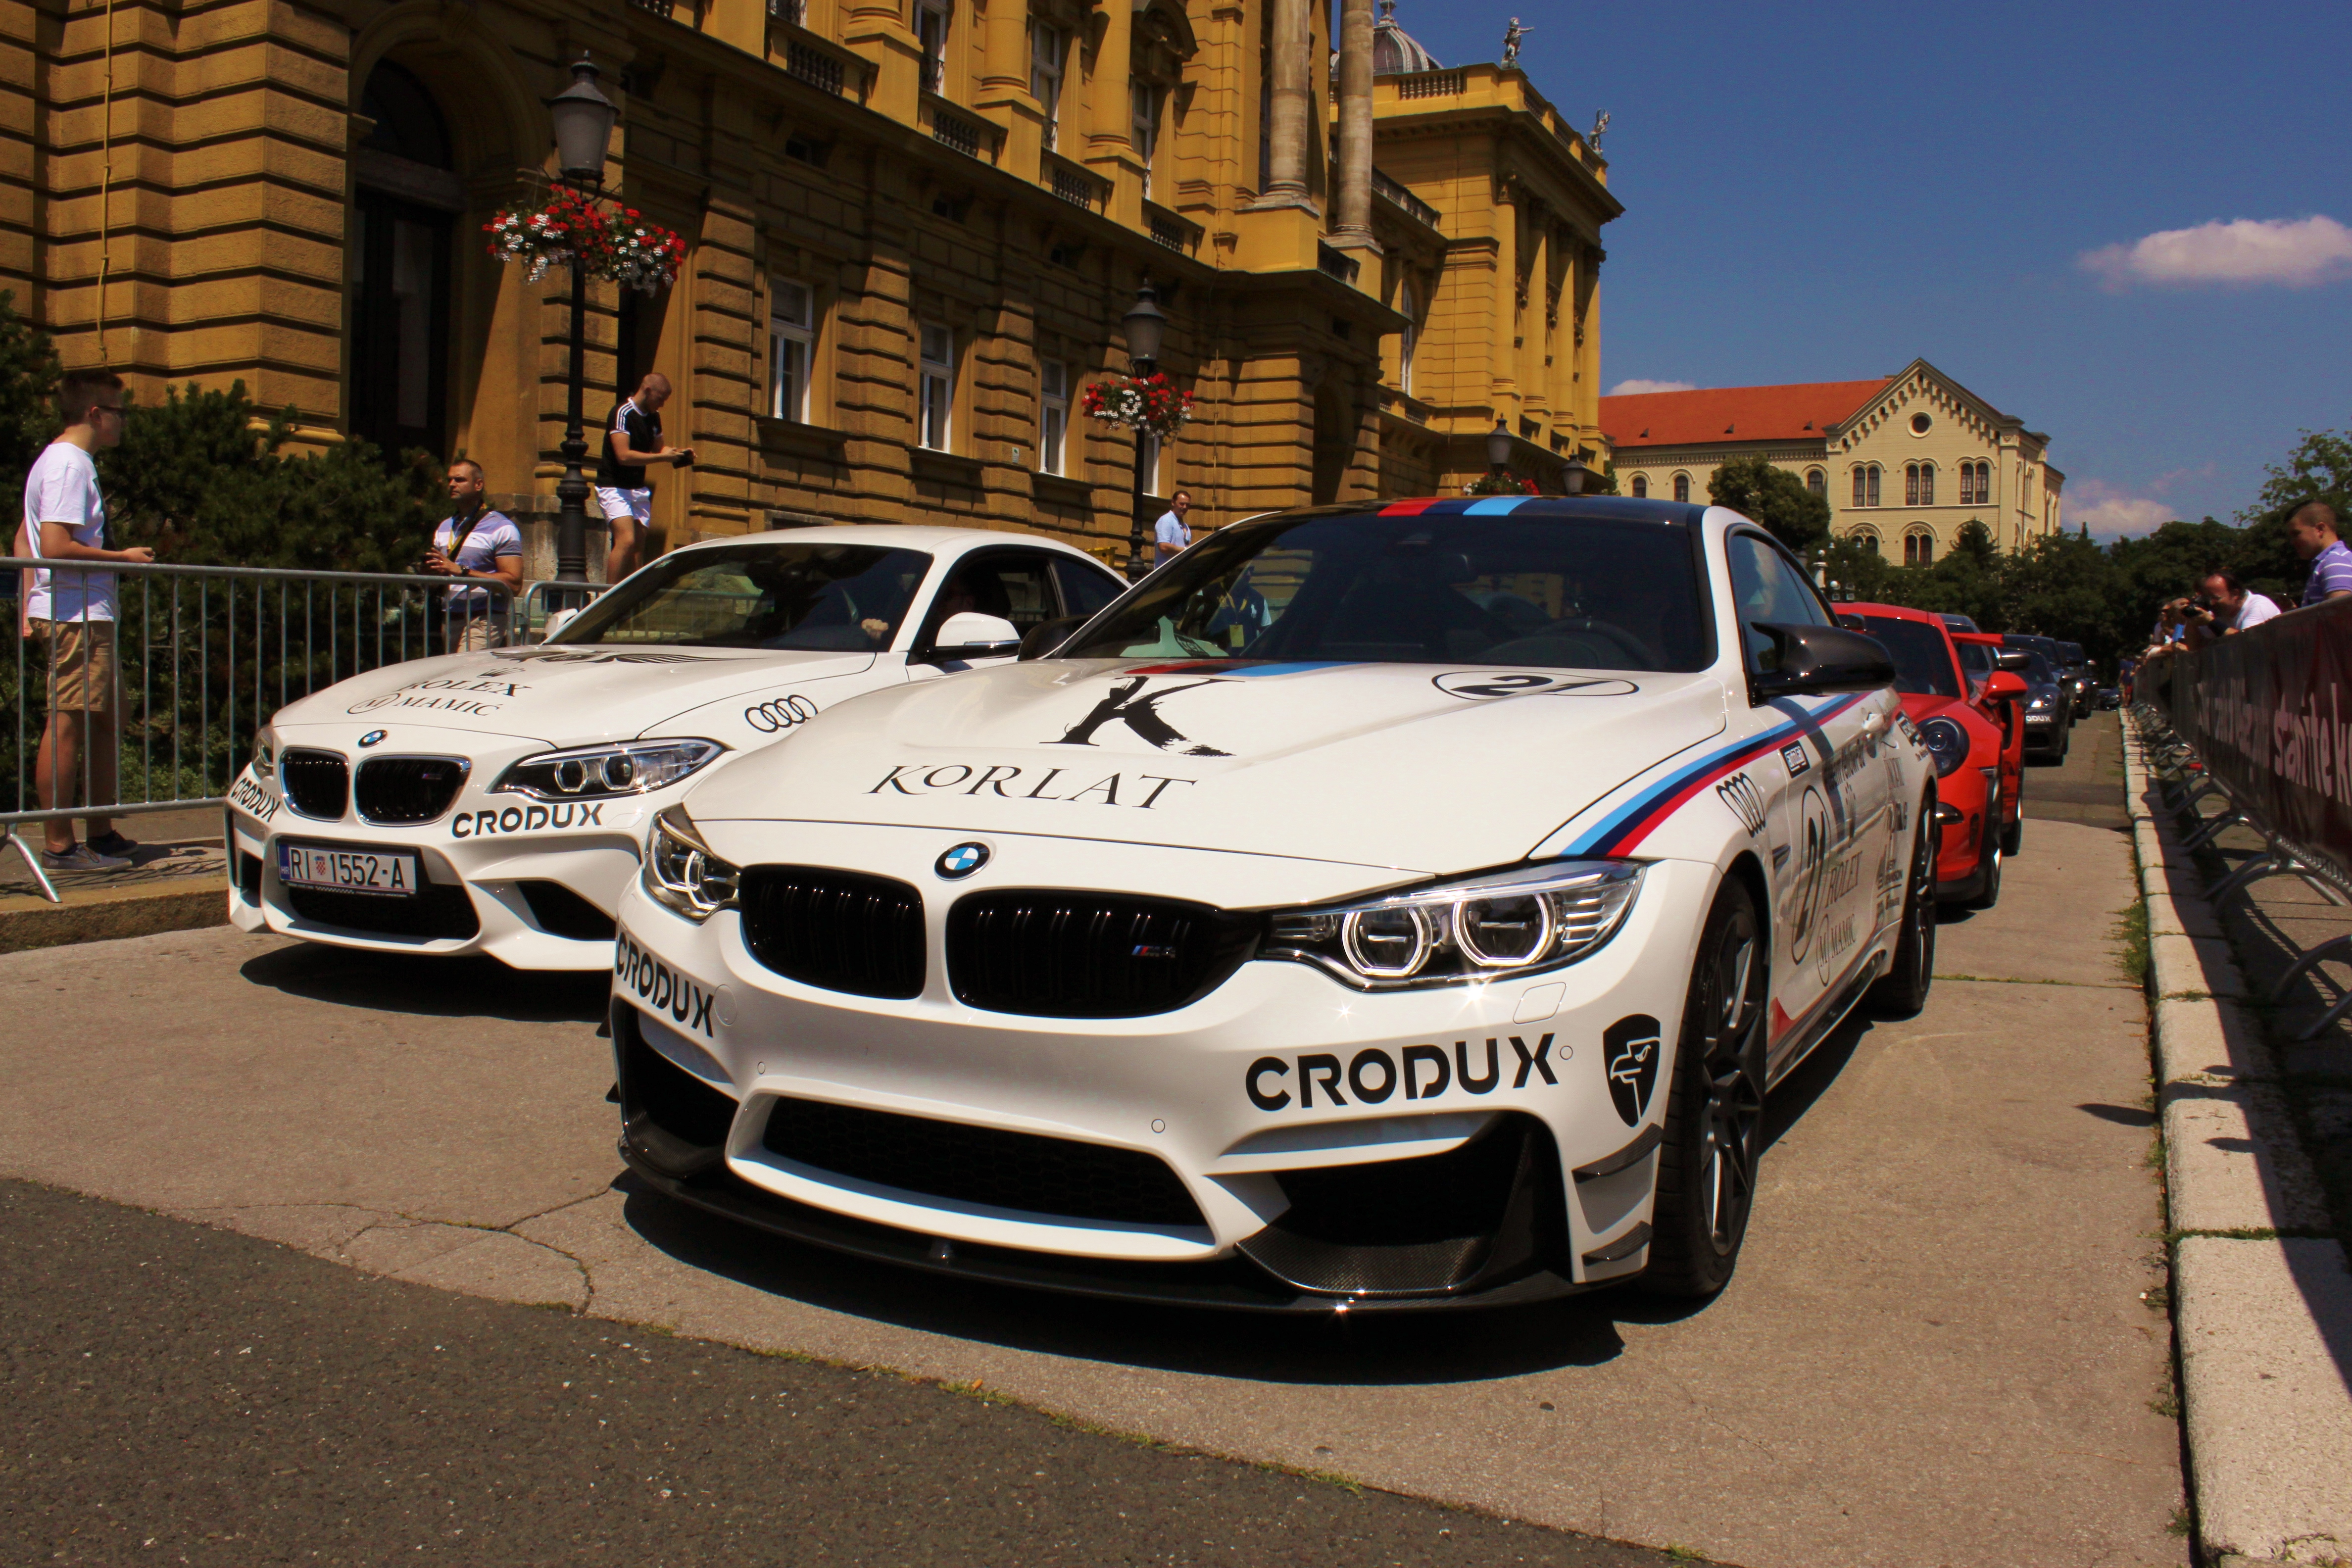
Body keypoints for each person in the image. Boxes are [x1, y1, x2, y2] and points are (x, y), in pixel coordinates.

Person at [22, 369, 155, 872]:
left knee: (103, 720)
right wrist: (124, 557)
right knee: (69, 723)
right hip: (75, 612)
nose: (124, 423)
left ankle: (100, 832)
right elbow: (53, 545)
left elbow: (25, 536)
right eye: (120, 413)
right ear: (96, 414)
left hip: (84, 611)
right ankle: (60, 844)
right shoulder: (68, 465)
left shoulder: (63, 462)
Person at [595, 372, 694, 585]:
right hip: (614, 486)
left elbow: (659, 448)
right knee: (626, 540)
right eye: (661, 399)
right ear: (648, 391)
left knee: (638, 546)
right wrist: (661, 457)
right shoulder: (622, 413)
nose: (662, 405)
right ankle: (606, 595)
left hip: (637, 488)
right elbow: (623, 456)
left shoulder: (653, 417)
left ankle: (630, 595)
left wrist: (678, 454)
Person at [421, 459, 523, 650]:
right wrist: (431, 572)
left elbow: (514, 583)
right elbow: (440, 579)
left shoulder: (502, 527)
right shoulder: (444, 527)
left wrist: (463, 571)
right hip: (450, 620)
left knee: (465, 670)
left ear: (478, 485)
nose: (452, 484)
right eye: (450, 479)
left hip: (484, 620)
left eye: (459, 480)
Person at [2185, 570, 2281, 644]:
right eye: (2207, 598)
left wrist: (2212, 623)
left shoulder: (2259, 607)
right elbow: (2195, 647)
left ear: (2235, 594)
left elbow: (2247, 643)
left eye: (2215, 598)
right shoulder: (2218, 612)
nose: (2211, 604)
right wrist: (2192, 619)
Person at [2287, 500, 2352, 606]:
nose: (2293, 542)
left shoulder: (2334, 563)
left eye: (2296, 534)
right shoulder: (2335, 560)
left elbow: (2339, 616)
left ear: (2320, 529)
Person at [1152, 489, 1193, 568]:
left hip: (1179, 572)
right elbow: (1163, 547)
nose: (1185, 507)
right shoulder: (1166, 520)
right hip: (1166, 572)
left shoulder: (1186, 527)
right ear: (1173, 503)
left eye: (1187, 505)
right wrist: (1186, 550)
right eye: (1182, 504)